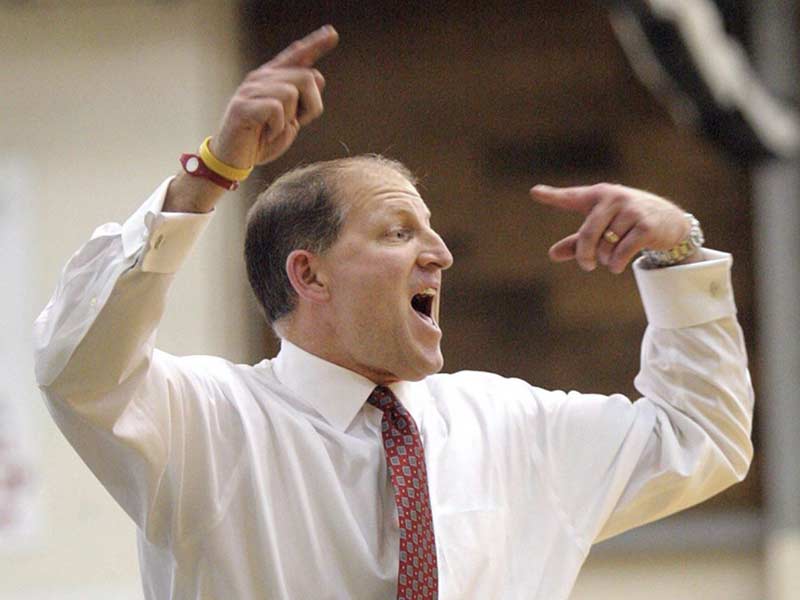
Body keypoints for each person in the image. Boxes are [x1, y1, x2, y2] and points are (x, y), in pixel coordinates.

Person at [33, 26, 753, 600]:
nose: (439, 253)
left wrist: (679, 251)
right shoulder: (209, 423)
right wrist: (210, 173)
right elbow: (78, 363)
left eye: (432, 231)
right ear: (308, 274)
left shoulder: (509, 425)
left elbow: (702, 437)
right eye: (399, 231)